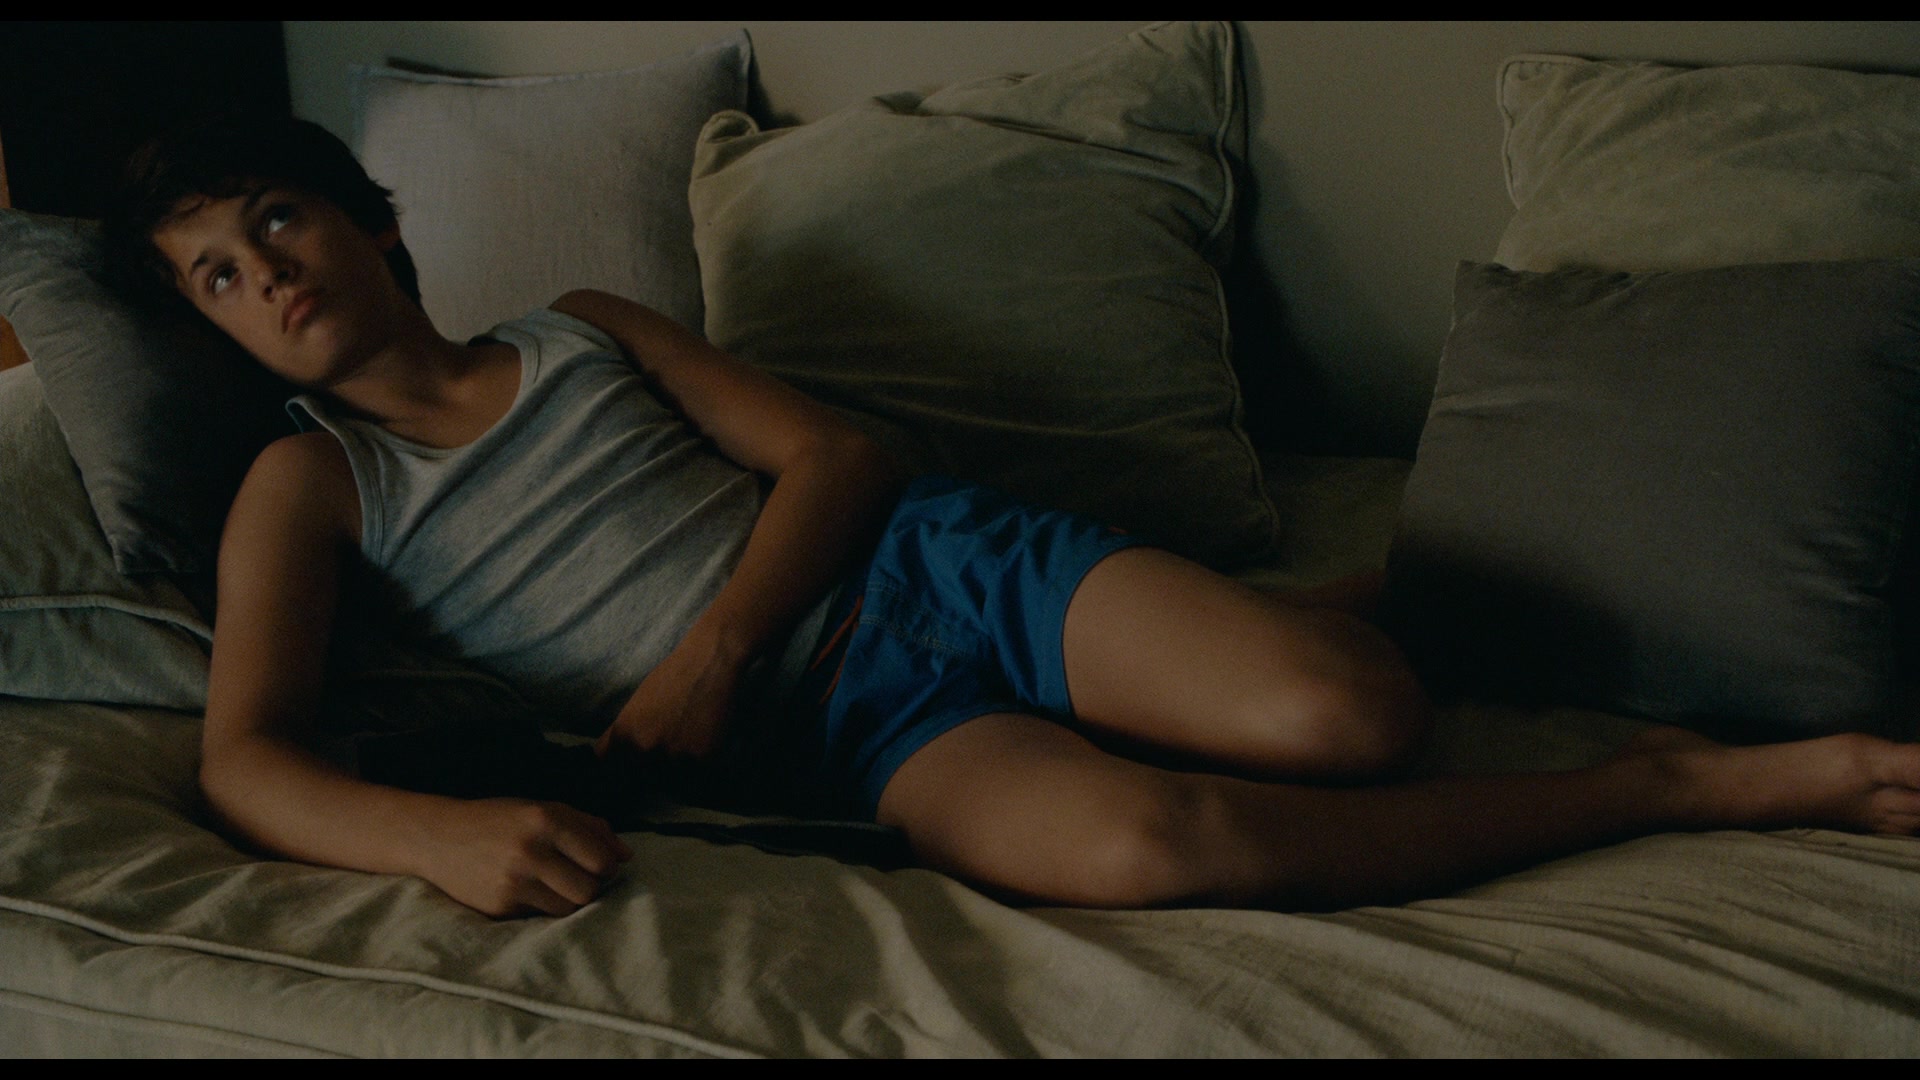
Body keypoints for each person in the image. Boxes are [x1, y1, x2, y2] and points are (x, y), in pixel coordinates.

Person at [103, 114, 1920, 920]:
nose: (264, 275)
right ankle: (1668, 783)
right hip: (854, 730)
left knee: (1345, 714)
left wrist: (715, 649)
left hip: (929, 568)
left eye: (278, 222)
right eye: (213, 276)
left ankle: (1300, 621)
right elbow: (247, 757)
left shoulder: (579, 329)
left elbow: (842, 459)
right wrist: (430, 841)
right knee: (1146, 852)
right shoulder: (309, 486)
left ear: (375, 223)